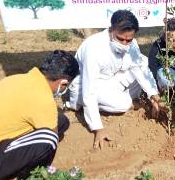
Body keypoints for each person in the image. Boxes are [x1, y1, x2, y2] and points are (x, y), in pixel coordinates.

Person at [0, 50, 79, 180]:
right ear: (63, 83)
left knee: (61, 121)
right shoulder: (42, 98)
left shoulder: (17, 79)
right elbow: (51, 136)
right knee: (48, 139)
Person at [67, 10, 161, 149]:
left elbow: (138, 68)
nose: (124, 43)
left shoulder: (132, 43)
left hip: (112, 78)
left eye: (128, 40)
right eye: (120, 38)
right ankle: (121, 102)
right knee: (122, 104)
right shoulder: (94, 48)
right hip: (88, 84)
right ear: (111, 30)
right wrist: (97, 128)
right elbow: (90, 90)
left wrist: (153, 94)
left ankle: (125, 99)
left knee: (144, 62)